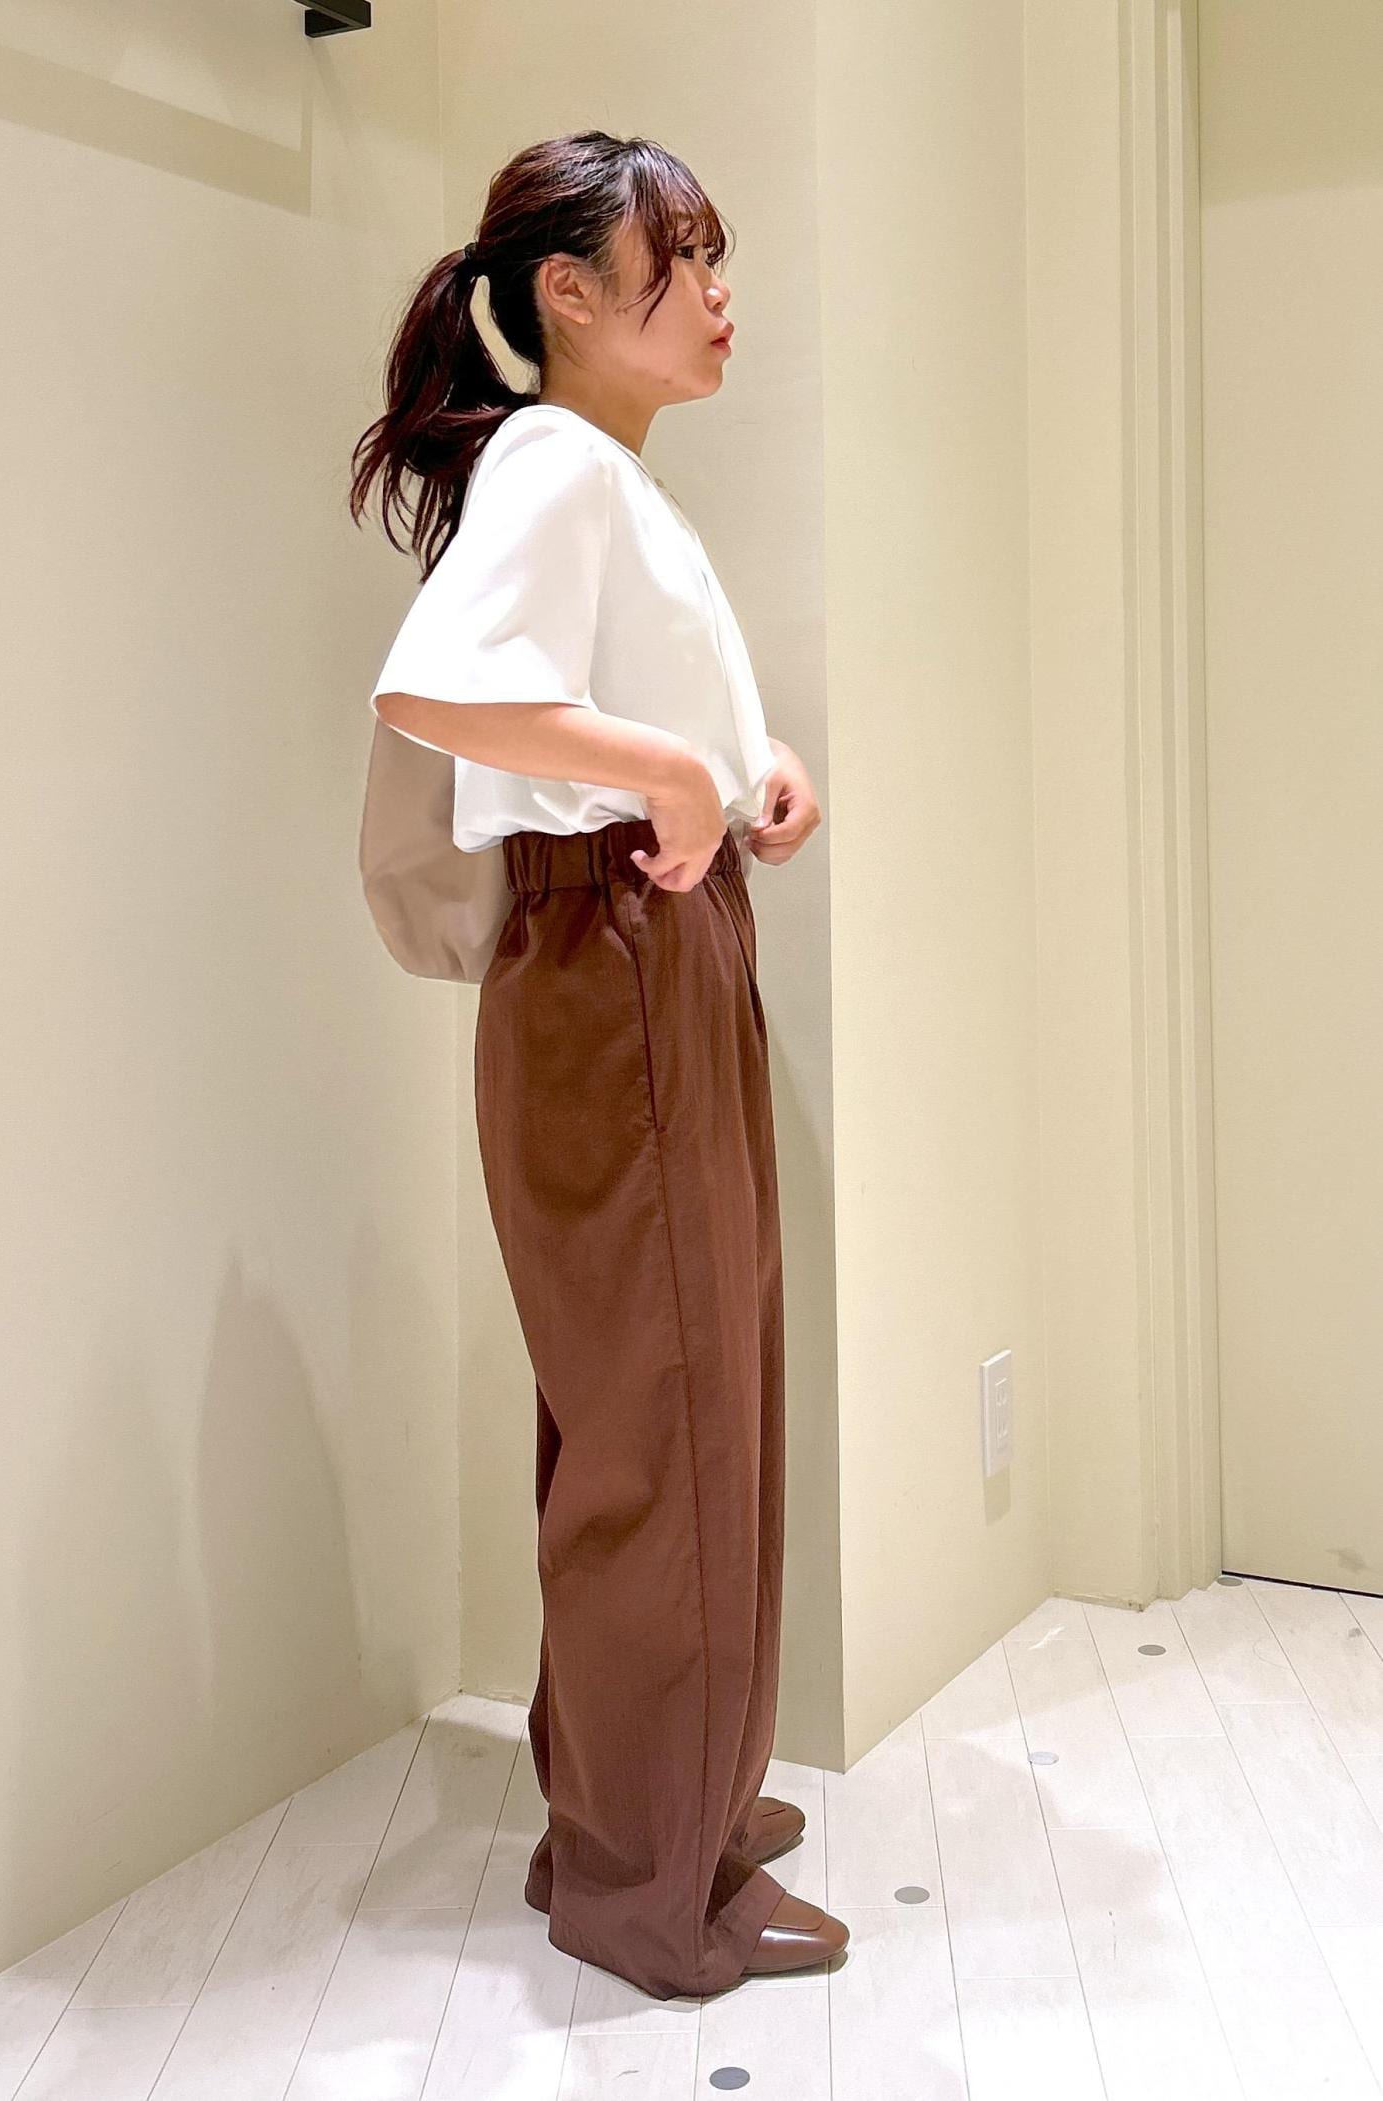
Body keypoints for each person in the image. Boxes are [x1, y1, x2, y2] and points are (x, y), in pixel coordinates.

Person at [349, 128, 842, 2002]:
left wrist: (749, 772)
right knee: (671, 1417)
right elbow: (436, 685)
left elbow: (625, 719)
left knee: (675, 1407)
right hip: (616, 959)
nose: (720, 295)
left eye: (719, 258)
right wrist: (664, 774)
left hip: (646, 951)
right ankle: (653, 1885)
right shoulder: (560, 460)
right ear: (569, 290)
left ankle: (653, 1806)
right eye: (684, 257)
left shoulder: (606, 477)